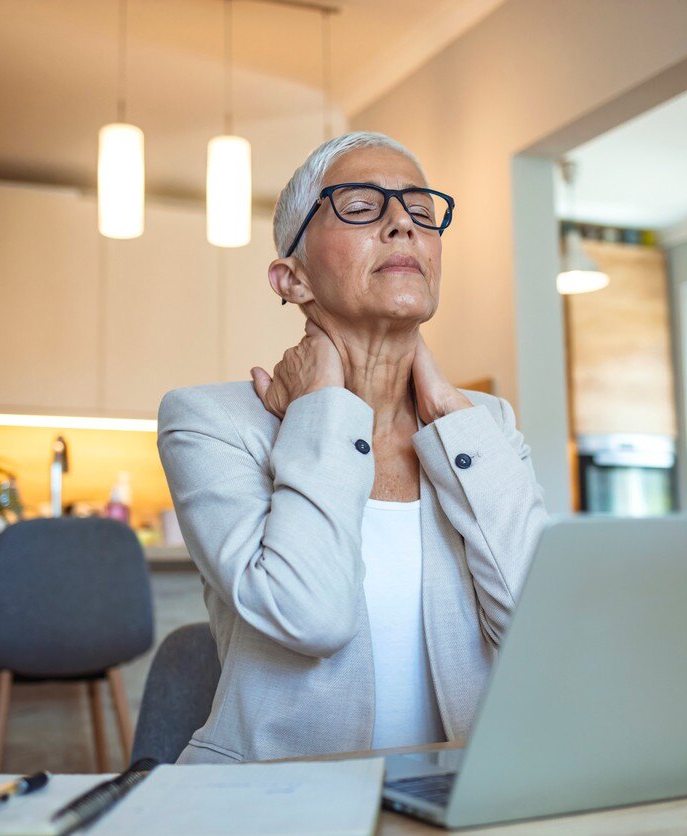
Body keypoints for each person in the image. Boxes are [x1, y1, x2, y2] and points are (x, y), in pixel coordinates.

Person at [157, 131, 548, 764]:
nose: (403, 224)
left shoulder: (486, 426)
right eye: (361, 207)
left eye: (423, 212)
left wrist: (450, 410)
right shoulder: (209, 421)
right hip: (280, 807)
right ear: (293, 278)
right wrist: (320, 414)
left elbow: (539, 633)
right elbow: (311, 617)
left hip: (459, 799)